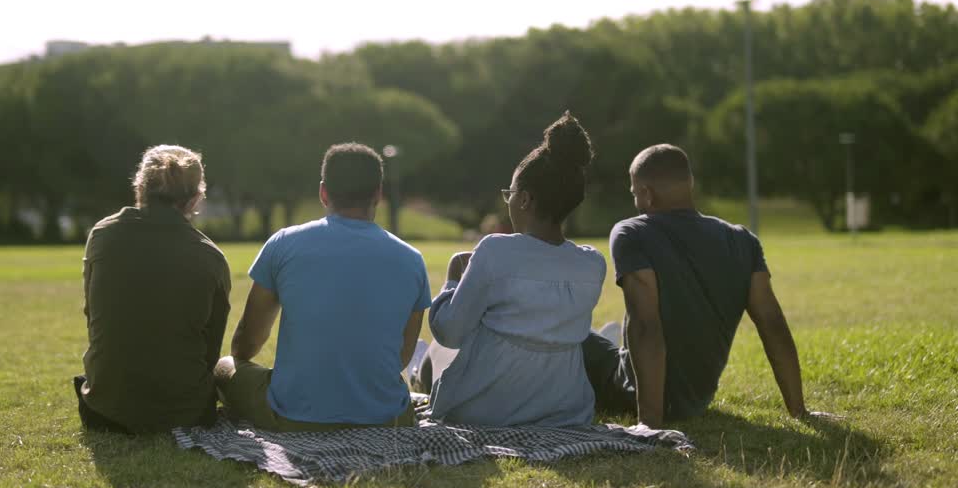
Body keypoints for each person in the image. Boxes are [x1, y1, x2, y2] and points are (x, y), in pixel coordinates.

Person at [583, 144, 833, 428]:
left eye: (635, 193)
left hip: (632, 393)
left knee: (572, 334)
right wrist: (799, 410)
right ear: (690, 184)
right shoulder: (743, 240)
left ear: (647, 194)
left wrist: (649, 424)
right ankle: (612, 343)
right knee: (601, 343)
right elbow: (772, 323)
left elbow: (644, 325)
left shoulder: (632, 232)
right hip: (696, 400)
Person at [213, 143, 431, 431]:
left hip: (293, 417)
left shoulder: (284, 244)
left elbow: (248, 342)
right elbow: (402, 355)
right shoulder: (412, 260)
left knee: (225, 366)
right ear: (379, 194)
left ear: (323, 192)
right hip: (387, 418)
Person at [421, 112, 606, 427]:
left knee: (432, 360)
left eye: (510, 194)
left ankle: (416, 368)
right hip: (564, 412)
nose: (506, 201)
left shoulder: (495, 250)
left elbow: (450, 333)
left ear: (525, 200)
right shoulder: (593, 263)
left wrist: (454, 280)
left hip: (483, 412)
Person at [75, 145, 231, 434]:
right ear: (196, 197)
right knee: (231, 367)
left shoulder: (102, 235)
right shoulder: (211, 257)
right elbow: (210, 348)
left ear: (139, 186)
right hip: (186, 413)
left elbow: (93, 315)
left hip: (105, 412)